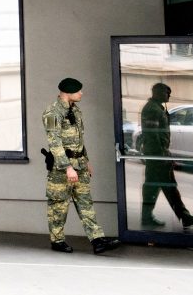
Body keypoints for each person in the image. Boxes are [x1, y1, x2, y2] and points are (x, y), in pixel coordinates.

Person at [42, 77, 120, 254]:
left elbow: (79, 140)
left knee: (85, 203)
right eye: (78, 91)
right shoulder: (52, 113)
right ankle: (57, 240)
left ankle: (97, 240)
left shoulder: (75, 110)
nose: (81, 93)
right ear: (68, 92)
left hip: (80, 165)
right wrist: (67, 167)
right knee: (59, 206)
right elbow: (55, 143)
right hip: (62, 168)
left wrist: (86, 160)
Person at [139, 82, 193, 229]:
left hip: (157, 155)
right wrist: (163, 157)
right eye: (167, 92)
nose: (169, 95)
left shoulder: (157, 108)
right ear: (158, 93)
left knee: (154, 187)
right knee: (167, 186)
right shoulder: (153, 109)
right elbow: (152, 135)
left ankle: (148, 217)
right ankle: (184, 217)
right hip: (157, 156)